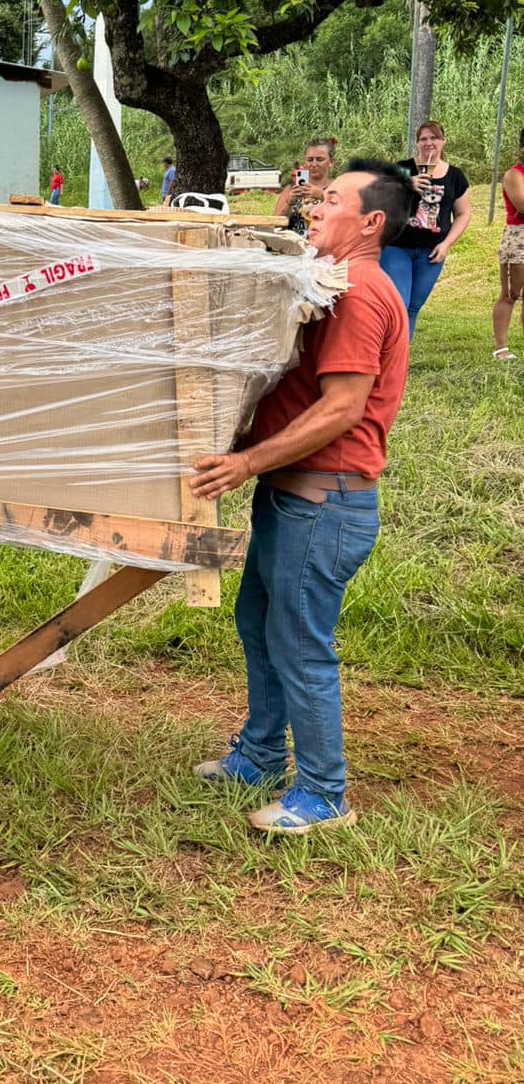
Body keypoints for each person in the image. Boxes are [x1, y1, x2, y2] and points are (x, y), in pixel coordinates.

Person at [190, 159, 415, 834]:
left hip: (323, 506)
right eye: (317, 198)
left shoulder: (361, 293)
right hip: (293, 500)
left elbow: (341, 408)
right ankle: (259, 755)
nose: (315, 207)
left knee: (298, 645)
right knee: (259, 626)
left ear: (371, 221)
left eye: (333, 200)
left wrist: (244, 461)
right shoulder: (330, 283)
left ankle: (323, 794)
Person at [379, 119, 471, 338]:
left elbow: (463, 214)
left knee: (412, 308)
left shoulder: (455, 176)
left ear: (443, 141)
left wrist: (446, 244)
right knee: (398, 305)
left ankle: (400, 363)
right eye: (423, 139)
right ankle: (384, 359)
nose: (429, 143)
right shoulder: (402, 169)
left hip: (431, 251)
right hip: (397, 246)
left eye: (434, 137)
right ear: (417, 143)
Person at [492, 132, 524, 361]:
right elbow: (522, 205)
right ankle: (501, 348)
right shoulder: (514, 174)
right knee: (511, 294)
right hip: (518, 238)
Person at [274, 138, 336, 235]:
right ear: (304, 162)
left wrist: (323, 196)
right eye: (310, 160)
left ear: (331, 162)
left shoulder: (337, 188)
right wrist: (289, 203)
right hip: (295, 246)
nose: (314, 164)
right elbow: (275, 225)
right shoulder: (292, 189)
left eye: (320, 159)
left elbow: (349, 221)